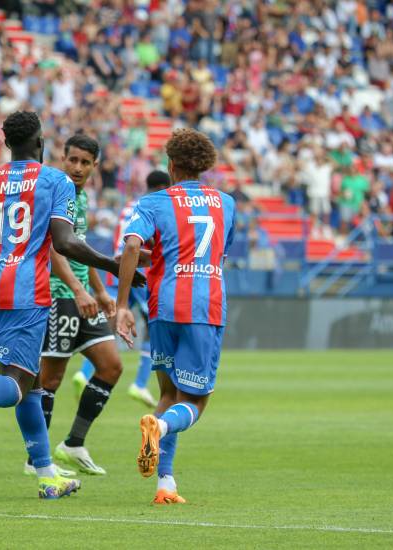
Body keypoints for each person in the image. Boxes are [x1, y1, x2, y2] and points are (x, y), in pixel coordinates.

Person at [0, 111, 140, 499]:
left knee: (34, 384)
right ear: (40, 143)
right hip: (28, 292)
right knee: (17, 383)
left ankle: (46, 474)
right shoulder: (54, 181)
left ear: (7, 143)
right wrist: (112, 264)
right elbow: (65, 242)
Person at [116, 128, 236, 505]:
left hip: (163, 307)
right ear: (204, 166)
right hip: (204, 306)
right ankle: (161, 427)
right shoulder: (226, 203)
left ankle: (165, 483)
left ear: (170, 164)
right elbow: (214, 256)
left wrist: (121, 306)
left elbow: (133, 246)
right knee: (196, 401)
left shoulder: (154, 202)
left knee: (168, 392)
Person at [27, 133, 120, 477]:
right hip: (58, 295)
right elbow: (54, 250)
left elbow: (80, 247)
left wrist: (99, 291)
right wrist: (80, 291)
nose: (77, 167)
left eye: (85, 162)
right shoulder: (56, 192)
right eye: (72, 160)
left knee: (111, 366)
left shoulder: (81, 198)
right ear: (62, 159)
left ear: (95, 166)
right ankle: (36, 461)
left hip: (81, 296)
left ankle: (73, 443)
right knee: (50, 380)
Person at [75, 170, 171, 409]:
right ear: (162, 188)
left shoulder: (130, 206)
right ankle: (139, 383)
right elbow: (141, 245)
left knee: (111, 321)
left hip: (115, 268)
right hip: (137, 273)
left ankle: (84, 372)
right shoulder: (156, 207)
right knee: (152, 327)